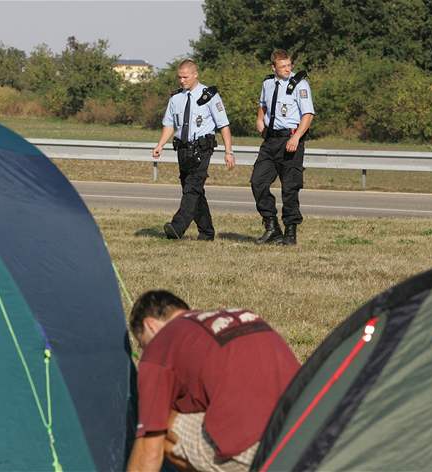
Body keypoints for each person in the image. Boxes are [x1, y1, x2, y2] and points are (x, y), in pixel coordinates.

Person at [126, 290, 301, 472]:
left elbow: (149, 450)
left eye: (142, 344)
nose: (144, 353)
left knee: (163, 423)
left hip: (259, 452)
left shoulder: (160, 344)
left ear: (151, 325)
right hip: (307, 433)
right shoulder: (239, 316)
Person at [152, 59, 235, 241]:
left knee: (193, 187)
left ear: (195, 75)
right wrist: (160, 145)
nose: (182, 81)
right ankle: (206, 232)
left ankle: (177, 226)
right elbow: (169, 125)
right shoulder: (176, 98)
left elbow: (224, 125)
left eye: (185, 77)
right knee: (194, 191)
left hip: (202, 148)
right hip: (183, 149)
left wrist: (229, 151)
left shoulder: (209, 96)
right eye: (179, 77)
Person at [252, 49, 316, 246]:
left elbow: (308, 115)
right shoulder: (267, 84)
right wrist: (260, 121)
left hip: (291, 140)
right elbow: (262, 105)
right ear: (274, 67)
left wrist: (296, 137)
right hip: (270, 141)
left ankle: (290, 232)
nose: (288, 69)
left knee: (290, 188)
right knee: (258, 182)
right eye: (283, 67)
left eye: (289, 65)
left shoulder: (300, 85)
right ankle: (272, 227)